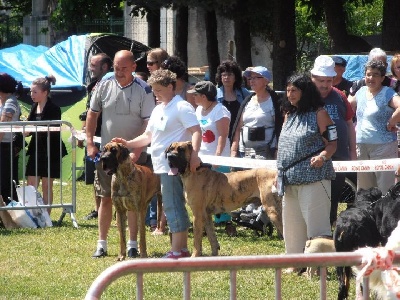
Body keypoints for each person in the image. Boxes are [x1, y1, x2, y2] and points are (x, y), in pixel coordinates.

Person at [113, 69, 202, 258]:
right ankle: (182, 248)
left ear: (171, 87)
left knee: (172, 205)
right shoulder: (158, 109)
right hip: (161, 166)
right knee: (172, 204)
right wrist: (128, 144)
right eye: (153, 89)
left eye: (159, 90)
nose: (155, 93)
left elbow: (196, 131)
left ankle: (178, 250)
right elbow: (148, 136)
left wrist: (194, 155)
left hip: (175, 167)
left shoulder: (182, 107)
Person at [86, 50, 155, 258]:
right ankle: (102, 244)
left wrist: (137, 151)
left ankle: (132, 245)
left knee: (133, 201)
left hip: (134, 156)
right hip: (108, 156)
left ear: (134, 67)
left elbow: (147, 123)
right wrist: (90, 142)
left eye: (124, 68)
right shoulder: (104, 85)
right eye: (116, 68)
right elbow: (92, 113)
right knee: (105, 198)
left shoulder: (144, 90)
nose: (119, 72)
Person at [277, 73, 337, 262]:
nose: (290, 94)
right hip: (289, 180)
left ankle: (319, 264)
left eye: (294, 90)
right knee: (292, 225)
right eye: (288, 90)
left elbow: (333, 143)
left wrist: (322, 156)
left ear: (306, 92)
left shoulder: (320, 114)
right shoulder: (289, 114)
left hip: (314, 179)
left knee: (316, 224)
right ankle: (294, 262)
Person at [310, 55, 356, 226]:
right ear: (312, 78)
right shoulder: (304, 97)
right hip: (315, 156)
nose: (324, 85)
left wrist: (352, 152)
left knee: (334, 196)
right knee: (316, 196)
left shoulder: (340, 96)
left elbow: (350, 124)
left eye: (329, 80)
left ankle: (329, 228)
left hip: (339, 156)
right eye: (320, 80)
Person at [348, 60, 400, 194]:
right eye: (368, 74)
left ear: (383, 78)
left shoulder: (388, 92)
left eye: (376, 75)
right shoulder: (360, 92)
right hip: (361, 146)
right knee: (364, 191)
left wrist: (391, 122)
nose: (371, 78)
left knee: (385, 189)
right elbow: (347, 108)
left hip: (384, 147)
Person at [26, 75, 68, 215]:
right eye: (31, 92)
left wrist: (33, 127)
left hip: (51, 151)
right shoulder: (33, 107)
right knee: (31, 184)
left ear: (45, 92)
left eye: (35, 92)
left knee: (46, 185)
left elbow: (52, 130)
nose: (32, 95)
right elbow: (28, 129)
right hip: (36, 149)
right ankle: (31, 214)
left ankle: (46, 216)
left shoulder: (54, 109)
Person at [79, 53, 112, 221]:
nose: (90, 68)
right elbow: (89, 112)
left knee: (106, 174)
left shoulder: (109, 83)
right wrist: (83, 132)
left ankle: (106, 209)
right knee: (95, 175)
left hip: (105, 136)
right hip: (93, 136)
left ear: (104, 67)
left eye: (93, 65)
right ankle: (97, 208)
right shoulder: (94, 84)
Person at [231, 66, 283, 160]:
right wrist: (234, 150)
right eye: (250, 78)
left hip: (267, 152)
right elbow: (238, 127)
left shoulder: (275, 102)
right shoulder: (247, 101)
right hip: (245, 152)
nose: (252, 80)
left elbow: (280, 128)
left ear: (266, 81)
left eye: (256, 77)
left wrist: (278, 150)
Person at [0, 73, 23, 204]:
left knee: (5, 182)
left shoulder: (11, 102)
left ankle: (10, 210)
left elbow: (2, 126)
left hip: (5, 146)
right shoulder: (3, 101)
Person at [215, 60, 250, 141]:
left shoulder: (244, 93)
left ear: (236, 77)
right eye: (224, 75)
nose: (227, 77)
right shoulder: (214, 94)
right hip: (220, 136)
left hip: (239, 136)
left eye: (230, 74)